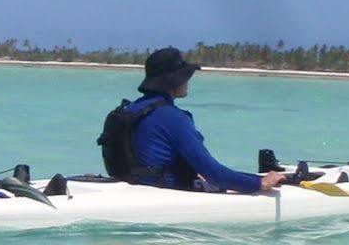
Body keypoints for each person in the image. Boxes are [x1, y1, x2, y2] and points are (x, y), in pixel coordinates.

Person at [97, 47, 287, 193]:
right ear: (175, 81)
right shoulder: (173, 118)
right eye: (186, 76)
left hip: (129, 187)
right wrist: (259, 182)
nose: (188, 81)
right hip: (162, 195)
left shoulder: (131, 109)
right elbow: (214, 174)